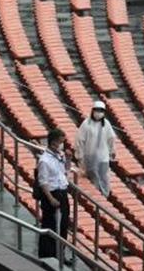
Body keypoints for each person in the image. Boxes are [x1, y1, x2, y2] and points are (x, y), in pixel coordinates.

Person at [36, 128, 71, 260]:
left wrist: (68, 159)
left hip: (62, 192)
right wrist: (50, 198)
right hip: (52, 194)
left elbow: (65, 171)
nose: (62, 145)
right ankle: (48, 255)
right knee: (50, 224)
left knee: (63, 225)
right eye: (61, 142)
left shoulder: (59, 156)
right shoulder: (44, 160)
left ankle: (59, 253)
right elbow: (43, 181)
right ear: (54, 142)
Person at [74, 99, 117, 196]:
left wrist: (112, 150)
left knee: (104, 177)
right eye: (97, 110)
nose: (98, 113)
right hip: (90, 156)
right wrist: (79, 155)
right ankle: (96, 197)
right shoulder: (86, 124)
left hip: (103, 156)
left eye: (101, 111)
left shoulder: (106, 124)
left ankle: (105, 195)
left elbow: (111, 138)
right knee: (94, 178)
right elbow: (79, 140)